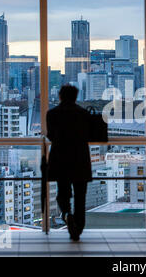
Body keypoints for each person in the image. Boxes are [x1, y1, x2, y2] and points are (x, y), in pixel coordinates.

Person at [46, 84, 93, 241]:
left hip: (61, 159)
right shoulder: (83, 113)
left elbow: (51, 136)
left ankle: (67, 215)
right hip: (80, 159)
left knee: (63, 194)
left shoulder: (52, 114)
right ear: (75, 96)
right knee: (81, 196)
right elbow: (89, 135)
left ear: (60, 96)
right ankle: (78, 229)